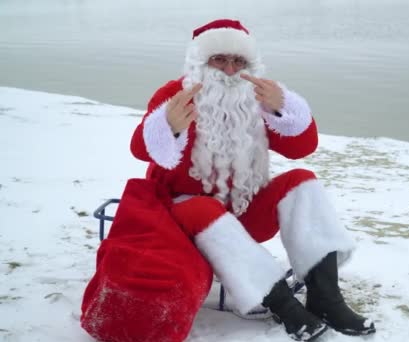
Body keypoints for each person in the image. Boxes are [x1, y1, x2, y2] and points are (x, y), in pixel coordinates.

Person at [81, 19, 375, 342]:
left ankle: (326, 298)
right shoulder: (176, 94)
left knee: (303, 182)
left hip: (240, 213)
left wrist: (283, 108)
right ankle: (282, 305)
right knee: (205, 208)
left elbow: (303, 148)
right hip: (181, 220)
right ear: (200, 62)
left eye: (239, 61)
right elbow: (139, 148)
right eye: (219, 59)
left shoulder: (257, 99)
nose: (230, 70)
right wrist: (169, 125)